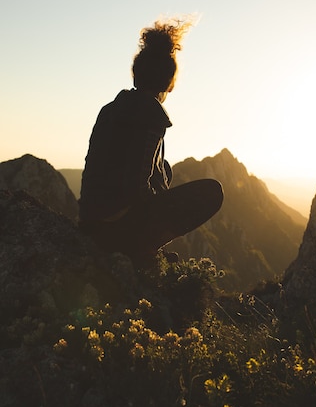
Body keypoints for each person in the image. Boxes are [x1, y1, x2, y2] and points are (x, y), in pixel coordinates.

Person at [78, 18, 224, 267]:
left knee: (164, 168)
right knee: (212, 191)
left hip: (91, 222)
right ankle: (142, 249)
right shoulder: (152, 114)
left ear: (136, 75)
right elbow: (135, 185)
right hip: (116, 231)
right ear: (168, 82)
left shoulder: (110, 109)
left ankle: (136, 242)